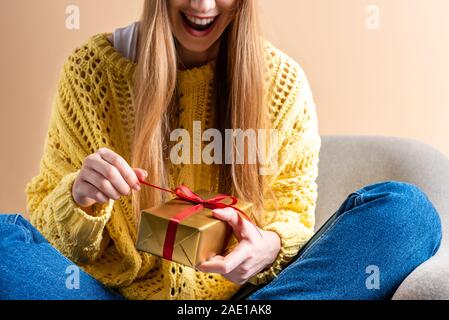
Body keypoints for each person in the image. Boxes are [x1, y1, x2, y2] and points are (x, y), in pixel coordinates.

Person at [0, 0, 441, 300]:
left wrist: (268, 247)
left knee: (407, 212)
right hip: (111, 293)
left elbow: (293, 219)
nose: (203, 5)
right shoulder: (90, 72)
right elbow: (52, 238)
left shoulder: (282, 83)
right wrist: (79, 198)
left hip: (249, 301)